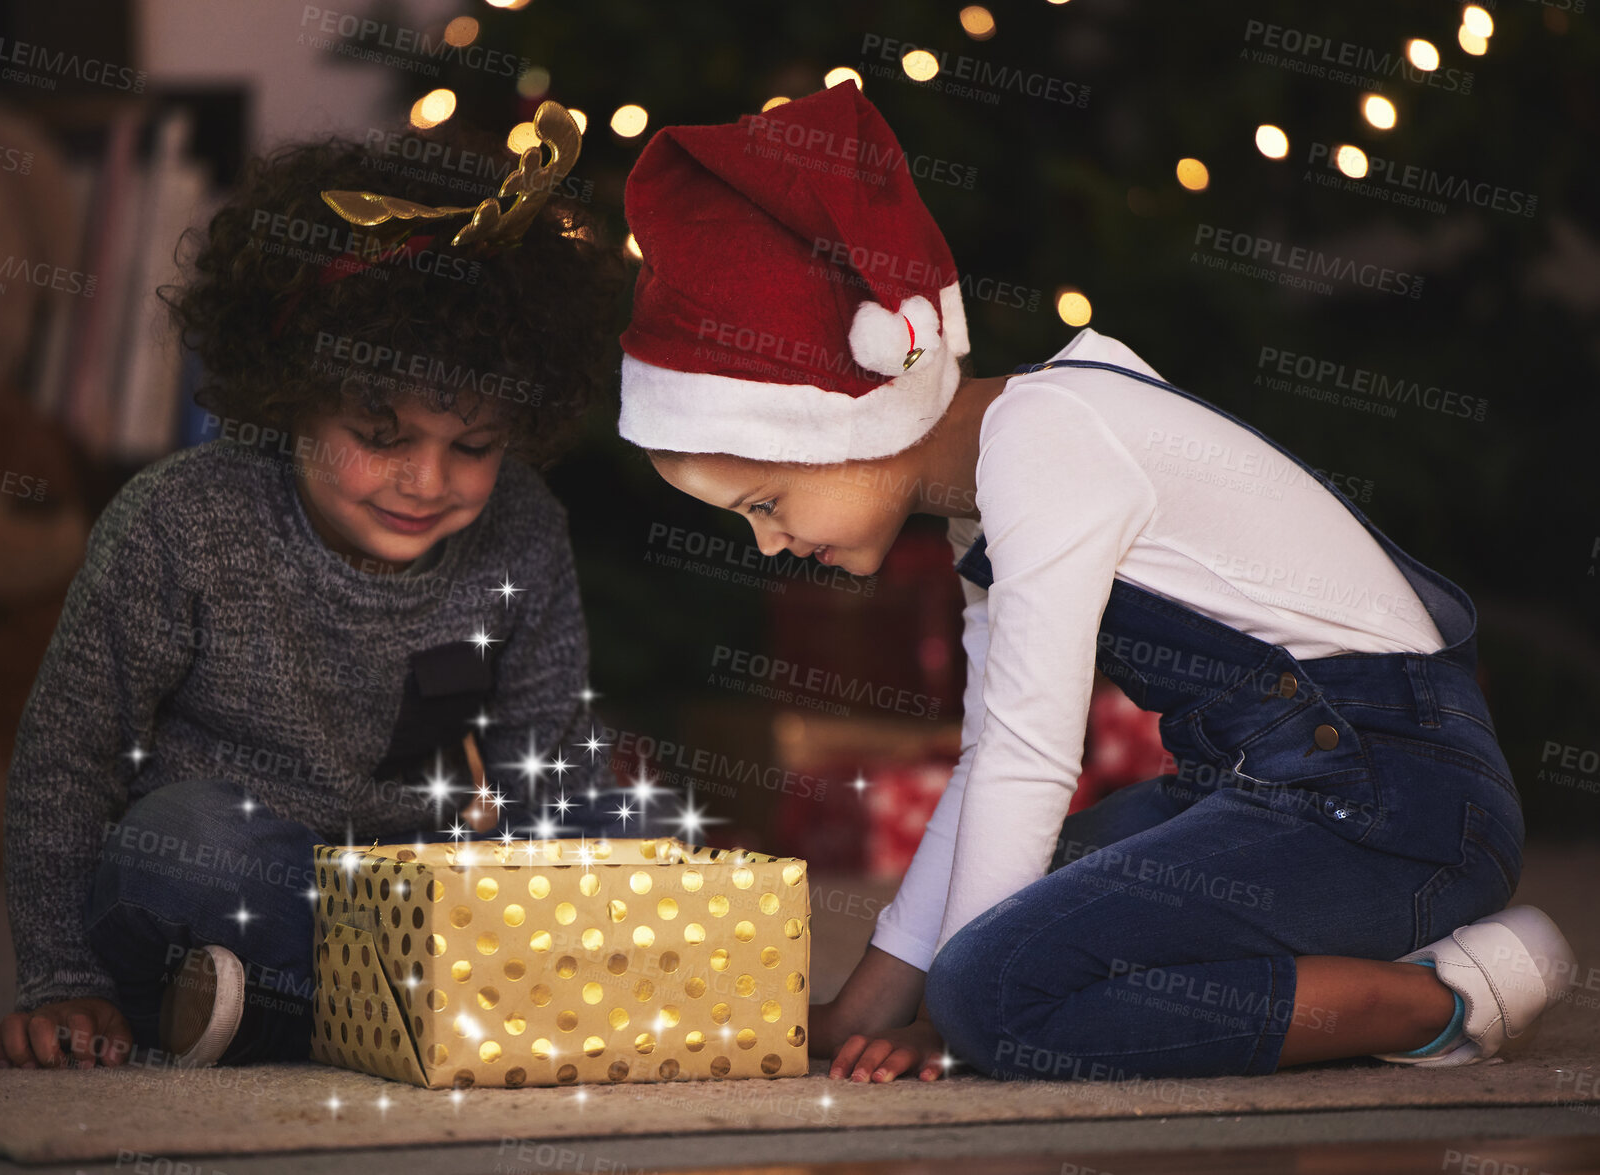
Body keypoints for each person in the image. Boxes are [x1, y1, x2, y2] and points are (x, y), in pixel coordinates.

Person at [615, 82, 1578, 1085]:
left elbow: (1032, 754)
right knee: (1045, 897)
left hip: (1398, 801)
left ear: (853, 419)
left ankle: (1444, 998)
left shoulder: (1048, 437)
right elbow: (999, 751)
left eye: (764, 499)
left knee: (999, 991)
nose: (768, 543)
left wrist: (949, 1014)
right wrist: (865, 1002)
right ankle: (1339, 960)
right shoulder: (982, 496)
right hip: (1269, 787)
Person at [0, 102, 658, 1071]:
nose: (428, 481)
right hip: (229, 874)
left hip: (411, 881)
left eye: (472, 447)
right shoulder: (181, 520)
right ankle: (425, 1001)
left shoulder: (524, 526)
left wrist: (546, 877)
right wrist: (58, 978)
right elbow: (67, 755)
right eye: (382, 438)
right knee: (190, 836)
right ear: (290, 395)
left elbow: (536, 758)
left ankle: (279, 1016)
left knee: (616, 815)